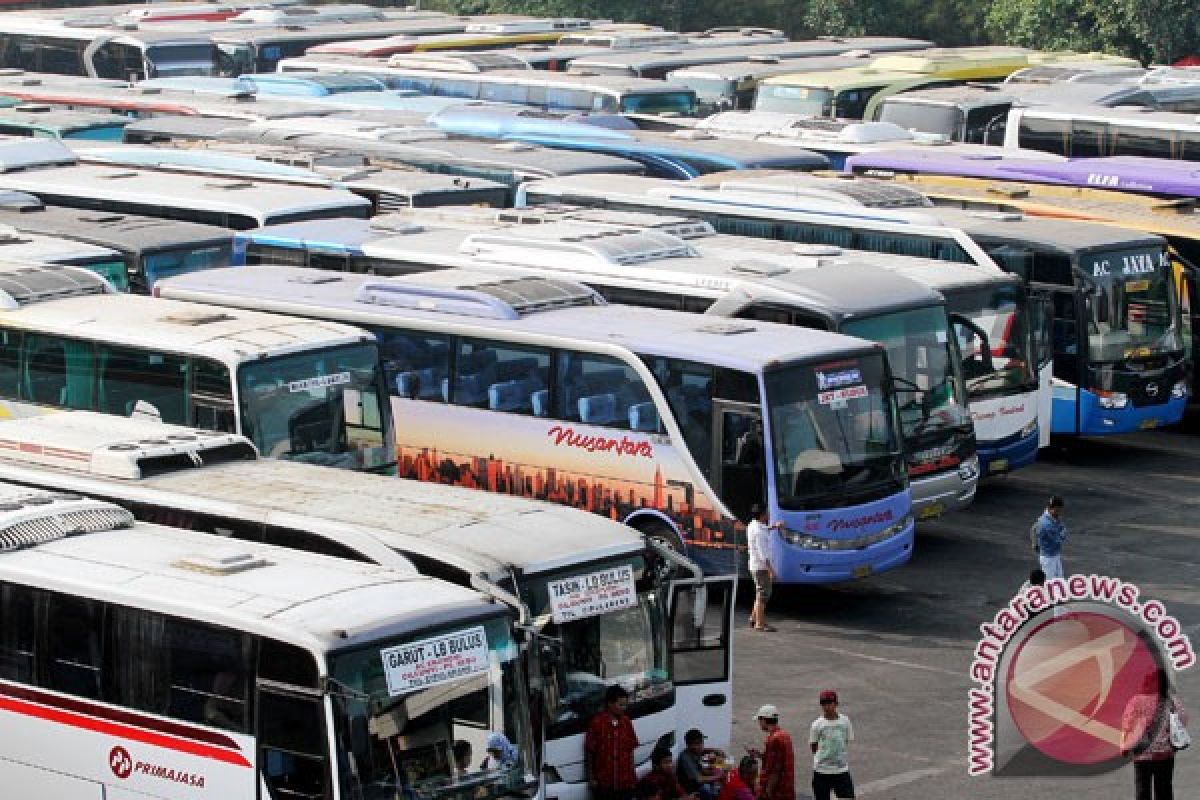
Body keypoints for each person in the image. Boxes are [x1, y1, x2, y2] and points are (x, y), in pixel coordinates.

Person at [1121, 668, 1188, 800]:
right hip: (1165, 754)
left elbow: (1127, 724)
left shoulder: (1136, 701)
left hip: (1142, 755)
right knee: (1164, 789)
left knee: (1142, 790)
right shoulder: (1171, 701)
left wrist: (1124, 746)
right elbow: (1183, 719)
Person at [585, 685, 640, 800]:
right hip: (604, 782)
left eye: (625, 705)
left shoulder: (626, 722)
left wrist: (633, 775)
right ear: (610, 703)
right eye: (620, 705)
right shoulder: (597, 723)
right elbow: (590, 751)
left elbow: (630, 749)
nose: (624, 708)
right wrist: (591, 777)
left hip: (625, 781)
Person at [809, 690, 855, 800]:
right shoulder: (817, 724)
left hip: (841, 769)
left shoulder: (845, 721)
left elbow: (846, 740)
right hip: (821, 771)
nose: (827, 706)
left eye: (829, 703)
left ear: (836, 704)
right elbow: (813, 746)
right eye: (824, 703)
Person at [747, 504, 783, 632]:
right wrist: (771, 571)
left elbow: (764, 528)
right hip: (761, 567)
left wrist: (774, 527)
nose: (768, 514)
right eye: (766, 513)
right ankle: (760, 623)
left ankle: (753, 618)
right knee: (764, 594)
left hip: (755, 566)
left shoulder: (753, 525)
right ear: (762, 516)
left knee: (759, 592)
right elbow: (763, 556)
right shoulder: (759, 532)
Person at [753, 704, 795, 800]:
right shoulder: (785, 735)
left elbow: (775, 769)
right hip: (787, 787)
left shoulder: (773, 739)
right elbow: (777, 759)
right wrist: (760, 755)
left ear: (764, 720)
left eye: (759, 721)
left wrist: (768, 791)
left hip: (777, 790)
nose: (759, 724)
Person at [676, 728, 723, 800]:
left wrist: (714, 750)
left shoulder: (695, 751)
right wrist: (719, 776)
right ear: (690, 745)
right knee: (708, 788)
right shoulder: (685, 758)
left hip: (697, 780)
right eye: (699, 743)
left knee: (717, 777)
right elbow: (699, 779)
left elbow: (704, 750)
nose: (702, 745)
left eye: (701, 742)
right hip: (690, 788)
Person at [1033, 495, 1068, 579]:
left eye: (1060, 510)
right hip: (1048, 559)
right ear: (1050, 508)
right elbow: (1058, 539)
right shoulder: (1046, 523)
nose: (1059, 513)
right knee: (1050, 583)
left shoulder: (1053, 518)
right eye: (1057, 510)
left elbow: (1033, 528)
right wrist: (1063, 532)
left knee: (1060, 580)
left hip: (1055, 555)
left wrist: (1034, 544)